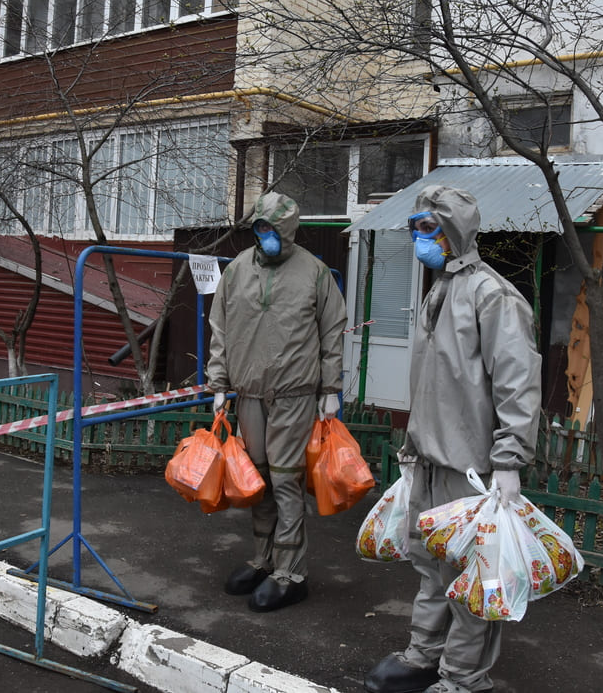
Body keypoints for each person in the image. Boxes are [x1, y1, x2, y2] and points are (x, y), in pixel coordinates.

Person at [365, 186, 542, 693]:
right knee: (430, 565)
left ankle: (464, 679)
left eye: (427, 228)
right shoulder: (439, 289)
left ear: (453, 230)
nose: (419, 239)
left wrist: (508, 461)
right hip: (431, 460)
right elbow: (434, 382)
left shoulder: (492, 297)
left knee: (471, 577)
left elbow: (517, 384)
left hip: (473, 469)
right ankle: (425, 654)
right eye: (415, 228)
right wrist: (412, 447)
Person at [207, 190, 347, 612]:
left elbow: (333, 333)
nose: (265, 235)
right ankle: (263, 560)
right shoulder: (236, 272)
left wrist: (330, 390)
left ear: (288, 232)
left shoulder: (315, 273)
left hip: (295, 395)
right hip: (249, 394)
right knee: (259, 480)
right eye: (259, 228)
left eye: (272, 229)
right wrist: (219, 384)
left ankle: (291, 572)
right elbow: (220, 327)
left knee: (286, 482)